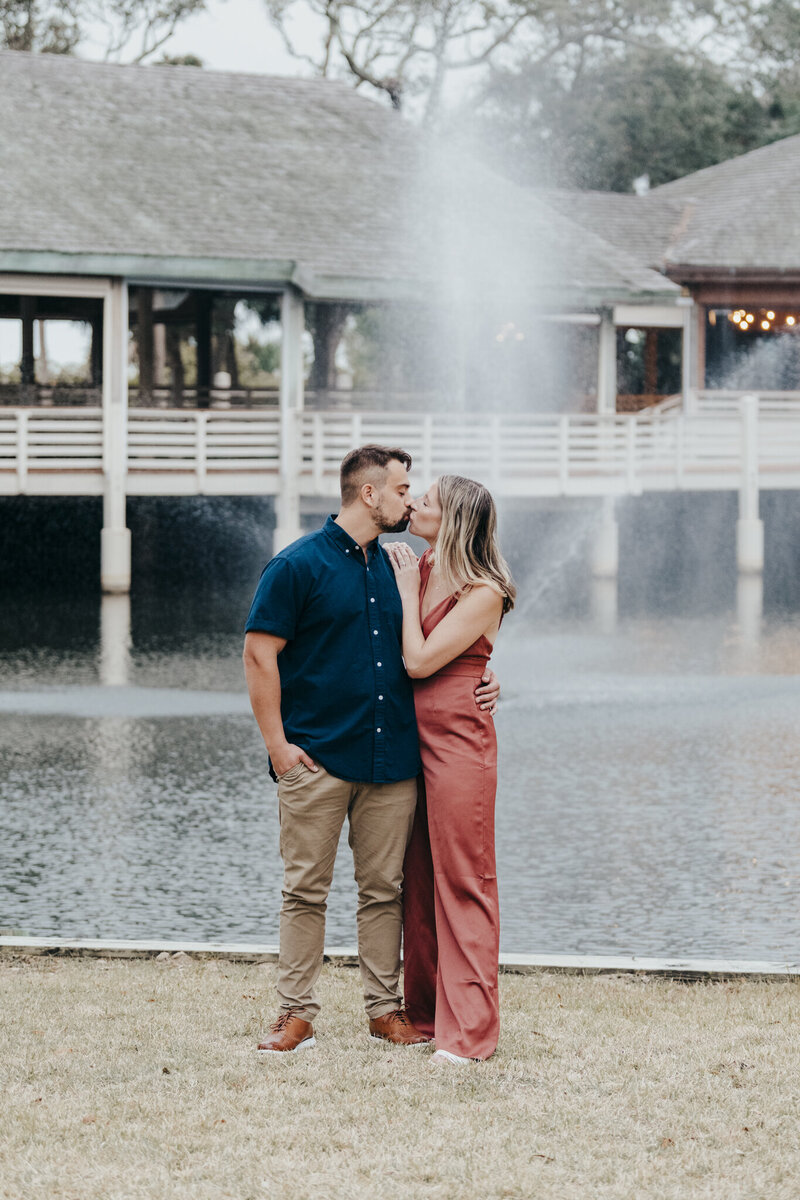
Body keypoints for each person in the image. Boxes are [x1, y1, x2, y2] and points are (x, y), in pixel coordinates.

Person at [243, 446, 500, 1054]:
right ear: (369, 495)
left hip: (392, 765)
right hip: (317, 759)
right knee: (304, 891)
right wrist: (279, 747)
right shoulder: (295, 565)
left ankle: (385, 1012)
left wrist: (489, 676)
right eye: (404, 488)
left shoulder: (400, 567)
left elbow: (449, 641)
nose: (410, 499)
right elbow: (259, 654)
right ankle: (295, 1014)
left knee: (385, 893)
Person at [385, 475, 515, 1065]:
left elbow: (418, 661)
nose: (413, 503)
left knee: (464, 880)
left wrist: (410, 588)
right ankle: (428, 1016)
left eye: (427, 500)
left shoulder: (483, 588)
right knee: (418, 879)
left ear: (456, 518)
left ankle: (471, 1035)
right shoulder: (420, 563)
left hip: (460, 745)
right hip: (410, 743)